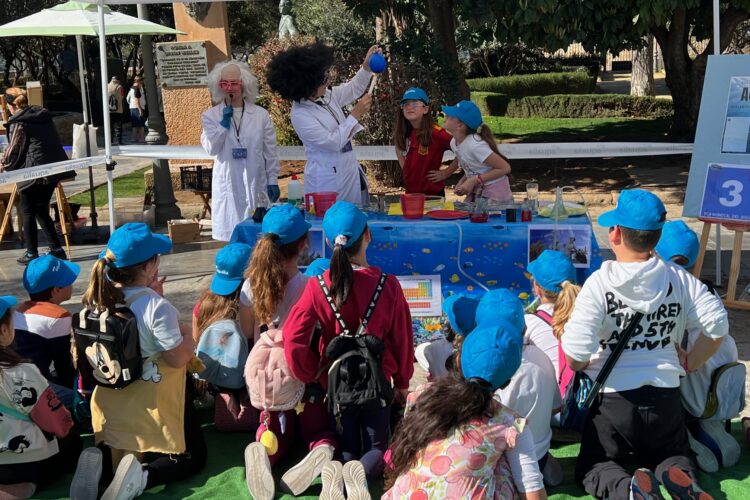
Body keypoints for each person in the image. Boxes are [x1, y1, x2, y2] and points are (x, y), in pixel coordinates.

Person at [562, 189, 728, 499]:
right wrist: (691, 360)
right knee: (673, 456)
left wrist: (586, 362)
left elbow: (574, 355)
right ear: (657, 235)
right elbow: (718, 326)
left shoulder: (599, 284)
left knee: (597, 466)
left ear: (615, 233)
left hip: (614, 402)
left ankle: (628, 490)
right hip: (665, 396)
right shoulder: (680, 278)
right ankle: (683, 481)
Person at [284, 201, 414, 483]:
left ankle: (338, 474)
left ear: (330, 244)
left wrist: (312, 371)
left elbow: (292, 337)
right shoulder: (388, 285)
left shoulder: (318, 286)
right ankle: (360, 478)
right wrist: (403, 381)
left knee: (347, 447)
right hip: (377, 384)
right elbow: (403, 339)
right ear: (368, 235)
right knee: (378, 448)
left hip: (335, 384)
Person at [82, 223, 206, 500]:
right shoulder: (155, 306)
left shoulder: (98, 298)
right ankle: (145, 476)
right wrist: (187, 335)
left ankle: (101, 467)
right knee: (193, 456)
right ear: (150, 266)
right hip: (151, 404)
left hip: (110, 400)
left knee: (124, 448)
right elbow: (175, 359)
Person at [383, 303, 547, 500]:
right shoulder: (511, 424)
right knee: (503, 464)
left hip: (407, 494)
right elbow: (533, 493)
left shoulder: (420, 395)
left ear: (458, 359)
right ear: (506, 382)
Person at [239, 204, 339, 499]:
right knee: (319, 431)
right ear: (304, 243)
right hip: (305, 378)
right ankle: (321, 450)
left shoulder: (249, 286)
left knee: (275, 434)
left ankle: (263, 449)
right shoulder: (311, 286)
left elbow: (247, 332)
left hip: (269, 380)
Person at [656, 220, 743, 473]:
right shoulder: (706, 289)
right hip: (723, 381)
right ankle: (708, 425)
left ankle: (686, 431)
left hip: (693, 385)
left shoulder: (668, 290)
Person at [267, 43, 381, 206]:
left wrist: (366, 68)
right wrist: (355, 115)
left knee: (353, 220)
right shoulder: (300, 115)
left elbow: (353, 89)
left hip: (347, 171)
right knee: (330, 224)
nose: (327, 82)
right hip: (327, 181)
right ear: (307, 86)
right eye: (322, 80)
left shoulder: (326, 96)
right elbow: (332, 142)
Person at [0, 295, 84, 499]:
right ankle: (25, 487)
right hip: (23, 463)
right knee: (73, 443)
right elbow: (59, 425)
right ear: (3, 331)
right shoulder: (21, 372)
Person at [479, 289, 564, 488]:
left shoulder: (492, 367)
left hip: (507, 460)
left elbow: (496, 426)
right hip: (540, 452)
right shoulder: (539, 355)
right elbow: (555, 407)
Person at [201, 60, 281, 241]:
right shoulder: (210, 116)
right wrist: (223, 125)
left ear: (244, 84)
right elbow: (211, 148)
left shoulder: (260, 115)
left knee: (260, 237)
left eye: (235, 83)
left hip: (256, 180)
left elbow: (270, 152)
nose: (230, 88)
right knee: (233, 238)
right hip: (229, 180)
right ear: (218, 86)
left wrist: (273, 179)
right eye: (225, 83)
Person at [1, 87, 70, 264]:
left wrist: (4, 163)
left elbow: (14, 148)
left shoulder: (20, 121)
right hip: (52, 169)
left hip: (33, 171)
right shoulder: (40, 115)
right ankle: (56, 249)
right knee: (40, 210)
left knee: (28, 211)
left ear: (10, 106)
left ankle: (32, 252)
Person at [193, 243, 254, 431]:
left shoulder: (202, 305)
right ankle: (242, 398)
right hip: (247, 378)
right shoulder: (251, 307)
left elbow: (198, 345)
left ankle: (224, 395)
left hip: (212, 377)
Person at [13, 255, 80, 395]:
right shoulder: (58, 316)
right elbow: (63, 365)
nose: (72, 284)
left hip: (12, 380)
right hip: (31, 387)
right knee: (81, 404)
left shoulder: (19, 310)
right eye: (69, 281)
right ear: (57, 290)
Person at [523, 250, 580, 397]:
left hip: (552, 405)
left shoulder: (529, 323)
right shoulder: (587, 316)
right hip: (581, 399)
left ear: (537, 289)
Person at [441, 100, 513, 203]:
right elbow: (474, 166)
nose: (446, 116)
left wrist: (474, 180)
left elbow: (505, 168)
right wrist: (463, 182)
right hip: (479, 191)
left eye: (450, 116)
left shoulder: (475, 145)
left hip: (496, 195)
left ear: (460, 126)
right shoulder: (454, 142)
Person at [393, 87, 456, 195]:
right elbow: (398, 149)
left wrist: (446, 173)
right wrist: (407, 171)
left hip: (433, 196)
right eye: (406, 104)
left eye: (414, 103)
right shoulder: (404, 132)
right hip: (411, 195)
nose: (409, 107)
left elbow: (463, 150)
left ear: (425, 109)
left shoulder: (436, 133)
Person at [126, 76, 146, 144]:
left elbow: (127, 98)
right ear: (140, 81)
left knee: (135, 124)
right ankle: (141, 138)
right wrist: (140, 109)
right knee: (141, 124)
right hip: (138, 107)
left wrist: (131, 104)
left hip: (133, 107)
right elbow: (137, 98)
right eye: (141, 81)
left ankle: (134, 138)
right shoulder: (137, 88)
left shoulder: (132, 88)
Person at [107, 76, 125, 146]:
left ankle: (111, 140)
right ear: (117, 80)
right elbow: (122, 96)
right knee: (118, 126)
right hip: (118, 109)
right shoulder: (119, 87)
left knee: (110, 126)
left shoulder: (107, 86)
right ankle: (119, 141)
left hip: (109, 110)